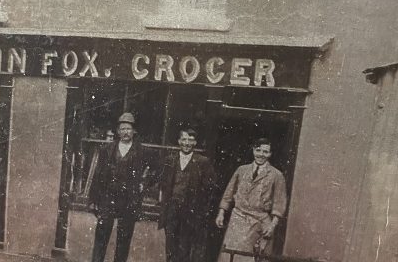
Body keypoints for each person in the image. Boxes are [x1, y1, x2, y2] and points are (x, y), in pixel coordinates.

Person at [88, 112, 154, 262]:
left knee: (123, 241)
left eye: (129, 129)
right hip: (107, 199)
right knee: (101, 237)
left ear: (134, 131)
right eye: (122, 129)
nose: (125, 132)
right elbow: (98, 176)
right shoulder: (107, 149)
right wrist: (93, 199)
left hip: (128, 201)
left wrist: (144, 183)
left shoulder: (142, 151)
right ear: (118, 131)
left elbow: (158, 169)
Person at [215, 138, 287, 262]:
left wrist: (272, 226)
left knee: (251, 257)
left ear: (270, 154)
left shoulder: (276, 175)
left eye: (265, 152)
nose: (261, 155)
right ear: (253, 150)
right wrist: (221, 214)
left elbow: (279, 204)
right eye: (258, 150)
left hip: (259, 222)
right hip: (237, 219)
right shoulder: (241, 170)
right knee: (229, 256)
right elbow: (228, 194)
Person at [158, 128, 215, 262]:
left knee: (185, 247)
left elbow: (210, 188)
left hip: (190, 212)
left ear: (195, 142)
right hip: (172, 210)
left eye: (190, 140)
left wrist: (200, 208)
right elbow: (162, 182)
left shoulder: (203, 162)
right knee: (170, 246)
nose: (186, 143)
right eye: (184, 139)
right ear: (179, 141)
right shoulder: (170, 159)